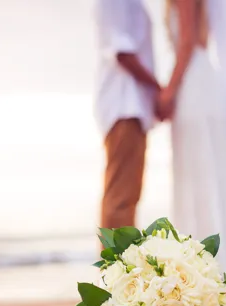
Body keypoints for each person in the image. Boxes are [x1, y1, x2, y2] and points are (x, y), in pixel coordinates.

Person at [157, 0, 226, 285]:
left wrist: (168, 91)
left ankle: (202, 263)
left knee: (195, 170)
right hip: (202, 79)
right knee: (209, 170)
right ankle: (221, 259)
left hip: (193, 83)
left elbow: (187, 42)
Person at [94, 0, 160, 230]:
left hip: (130, 105)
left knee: (127, 195)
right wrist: (157, 91)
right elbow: (121, 52)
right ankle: (115, 265)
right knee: (121, 198)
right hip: (124, 104)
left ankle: (117, 264)